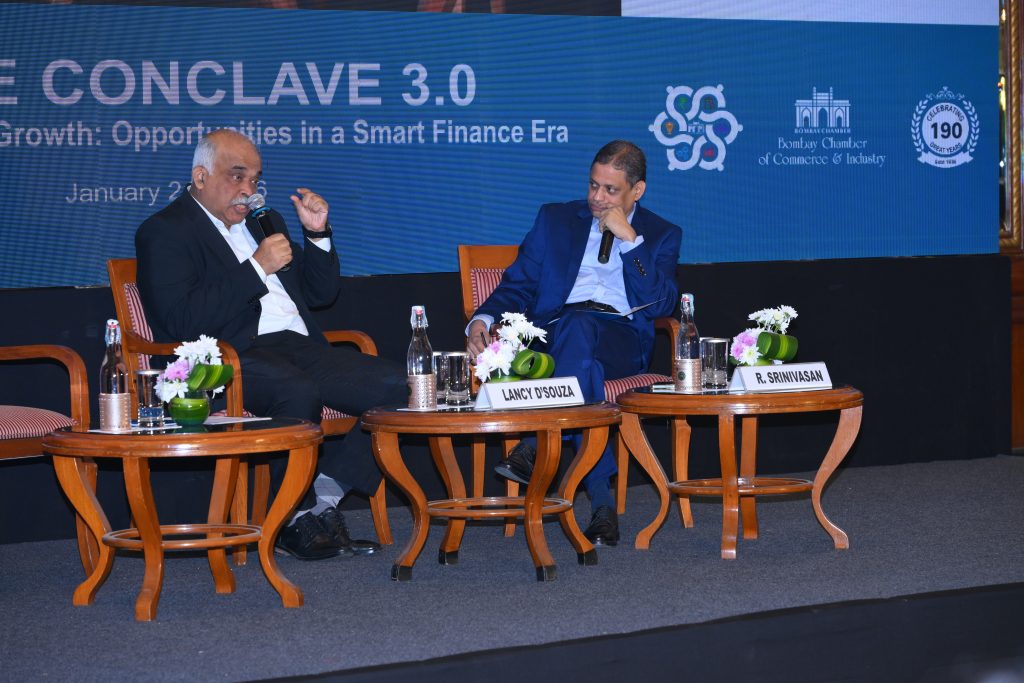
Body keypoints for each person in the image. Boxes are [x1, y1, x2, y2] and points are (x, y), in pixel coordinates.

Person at [136, 129, 408, 561]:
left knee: (406, 388)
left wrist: (317, 235)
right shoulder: (165, 231)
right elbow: (181, 321)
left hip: (300, 347)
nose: (248, 190)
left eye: (255, 179)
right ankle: (290, 518)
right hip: (231, 356)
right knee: (296, 391)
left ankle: (323, 497)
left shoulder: (265, 222)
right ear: (201, 177)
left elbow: (319, 295)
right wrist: (256, 267)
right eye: (237, 176)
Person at [466, 140, 681, 546]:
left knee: (582, 335)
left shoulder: (660, 234)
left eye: (611, 190)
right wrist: (483, 319)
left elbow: (661, 303)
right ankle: (602, 504)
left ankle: (535, 446)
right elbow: (518, 284)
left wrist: (630, 241)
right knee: (584, 363)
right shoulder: (556, 219)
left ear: (637, 191)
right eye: (593, 185)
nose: (597, 198)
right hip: (555, 335)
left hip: (620, 339)